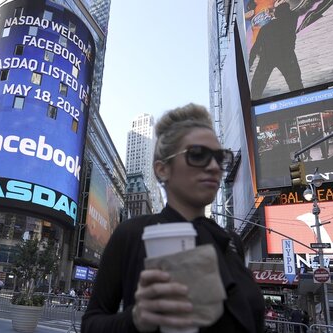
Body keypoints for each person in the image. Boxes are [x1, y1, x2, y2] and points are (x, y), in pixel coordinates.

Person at [82, 104, 265, 332]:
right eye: (198, 155)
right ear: (162, 169)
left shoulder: (231, 242)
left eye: (220, 158)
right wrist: (136, 318)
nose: (213, 167)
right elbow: (91, 323)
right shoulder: (131, 234)